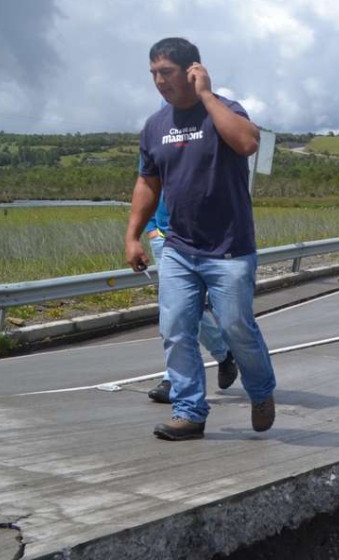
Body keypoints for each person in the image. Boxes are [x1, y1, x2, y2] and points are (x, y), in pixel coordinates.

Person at [125, 37, 276, 441]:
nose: (159, 81)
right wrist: (133, 235)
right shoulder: (155, 127)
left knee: (235, 326)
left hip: (229, 248)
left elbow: (247, 143)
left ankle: (261, 392)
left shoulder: (225, 111)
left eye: (167, 72)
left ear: (193, 69)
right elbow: (147, 182)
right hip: (179, 247)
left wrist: (206, 95)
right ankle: (189, 411)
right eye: (153, 74)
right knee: (175, 328)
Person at [145, 191, 237, 404]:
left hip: (203, 239)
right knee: (178, 309)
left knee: (181, 310)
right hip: (163, 238)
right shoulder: (155, 155)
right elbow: (148, 184)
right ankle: (223, 355)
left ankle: (175, 381)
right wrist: (151, 229)